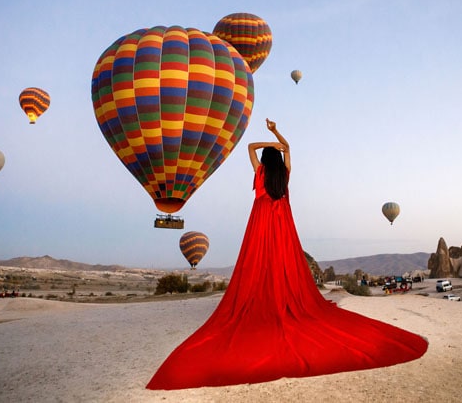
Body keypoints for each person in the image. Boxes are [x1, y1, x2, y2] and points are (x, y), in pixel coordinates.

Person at [146, 119, 427, 390]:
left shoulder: (260, 173)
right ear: (279, 160)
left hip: (260, 220)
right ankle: (282, 296)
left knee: (258, 259)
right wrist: (278, 135)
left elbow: (249, 148)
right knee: (283, 259)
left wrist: (268, 140)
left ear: (264, 161)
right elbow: (288, 149)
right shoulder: (284, 174)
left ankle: (263, 296)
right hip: (282, 221)